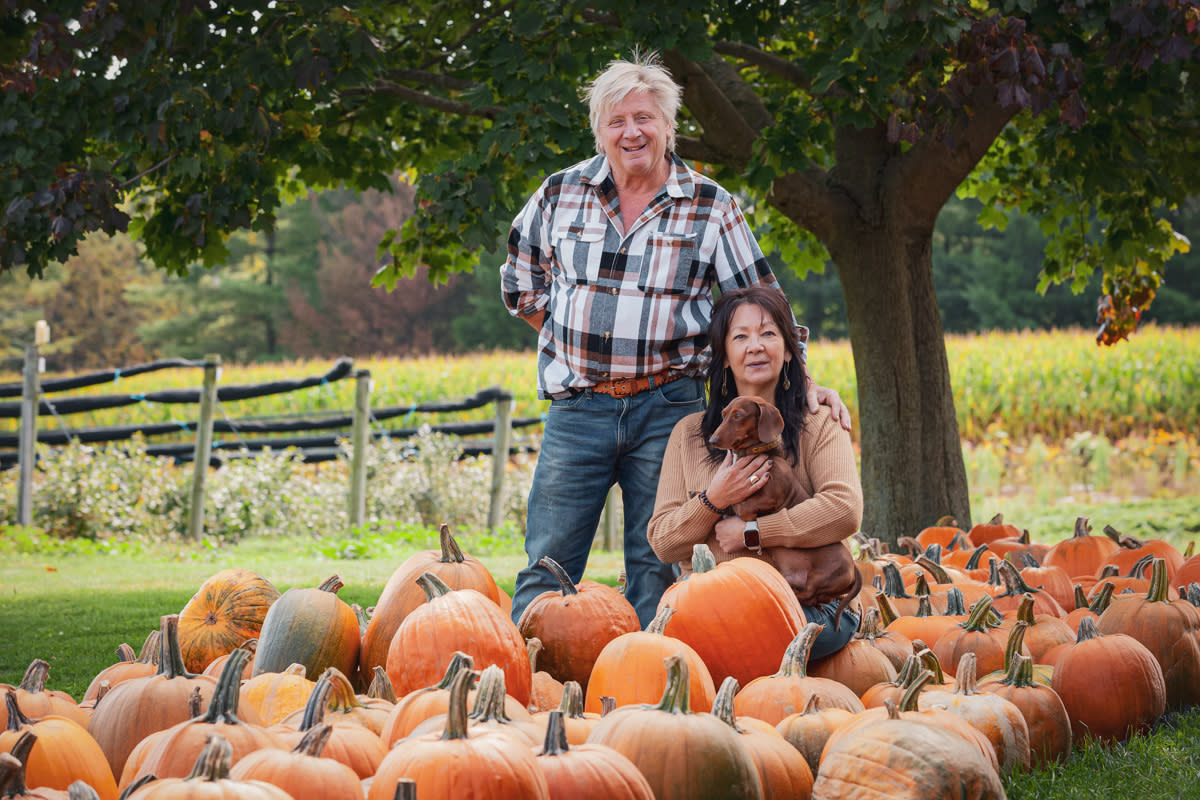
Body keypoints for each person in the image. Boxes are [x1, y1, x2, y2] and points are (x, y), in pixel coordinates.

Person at [500, 52, 850, 628]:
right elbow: (519, 282)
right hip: (577, 408)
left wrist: (804, 382)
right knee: (549, 561)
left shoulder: (710, 206)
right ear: (600, 131)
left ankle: (648, 686)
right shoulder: (560, 194)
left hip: (668, 407)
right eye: (616, 121)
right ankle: (521, 684)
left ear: (668, 125)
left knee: (659, 563)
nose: (631, 132)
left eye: (644, 118)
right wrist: (565, 342)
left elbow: (763, 302)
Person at [647, 285, 863, 659]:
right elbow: (664, 542)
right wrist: (714, 500)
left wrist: (753, 533)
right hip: (712, 608)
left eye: (768, 334)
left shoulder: (819, 421)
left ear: (789, 348)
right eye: (741, 336)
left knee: (739, 642)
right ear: (725, 356)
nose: (756, 346)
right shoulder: (689, 435)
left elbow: (844, 509)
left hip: (805, 605)